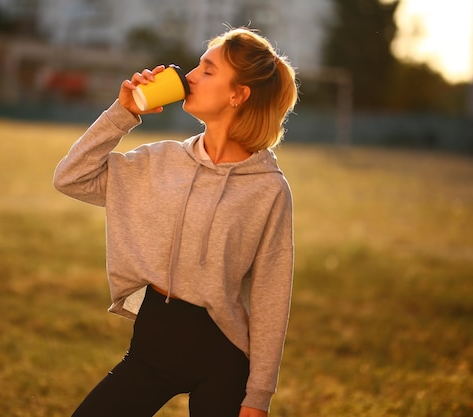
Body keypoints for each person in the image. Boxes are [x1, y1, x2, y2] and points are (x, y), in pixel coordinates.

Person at [53, 26, 298, 417]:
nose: (190, 77)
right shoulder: (158, 162)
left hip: (224, 358)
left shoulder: (268, 190)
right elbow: (71, 178)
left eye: (207, 69)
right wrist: (124, 114)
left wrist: (258, 397)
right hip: (154, 345)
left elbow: (272, 293)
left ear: (238, 94)